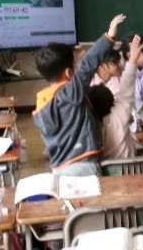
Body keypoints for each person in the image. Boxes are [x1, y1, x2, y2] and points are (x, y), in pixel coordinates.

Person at [33, 14, 125, 175]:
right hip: (83, 164)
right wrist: (109, 35)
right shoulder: (70, 93)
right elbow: (89, 63)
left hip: (59, 168)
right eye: (74, 65)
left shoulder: (42, 101)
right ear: (69, 72)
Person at [87, 34, 143, 160]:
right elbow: (127, 89)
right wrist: (133, 59)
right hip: (128, 167)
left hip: (104, 169)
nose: (119, 65)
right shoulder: (118, 115)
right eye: (115, 62)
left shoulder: (90, 125)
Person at [121, 33, 143, 131]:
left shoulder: (138, 70)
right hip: (140, 114)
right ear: (130, 55)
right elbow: (141, 92)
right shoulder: (126, 72)